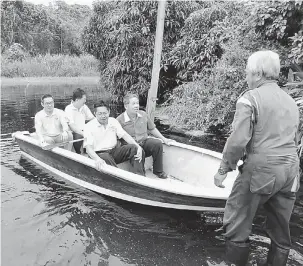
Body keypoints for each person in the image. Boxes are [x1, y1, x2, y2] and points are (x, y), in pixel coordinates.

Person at [213, 50, 300, 266]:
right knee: (281, 231)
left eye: (248, 73)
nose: (246, 78)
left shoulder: (249, 99)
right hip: (291, 172)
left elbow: (238, 140)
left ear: (258, 74)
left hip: (261, 170)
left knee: (236, 224)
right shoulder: (291, 102)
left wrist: (223, 170)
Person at [116, 93, 174, 179]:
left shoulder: (143, 114)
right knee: (136, 150)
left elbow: (152, 128)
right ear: (126, 106)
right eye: (133, 104)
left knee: (157, 143)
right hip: (131, 148)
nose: (136, 106)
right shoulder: (119, 120)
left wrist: (164, 139)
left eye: (137, 103)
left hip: (144, 142)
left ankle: (158, 171)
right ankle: (141, 176)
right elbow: (115, 138)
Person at [83, 101, 145, 176]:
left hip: (113, 152)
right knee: (106, 157)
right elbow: (88, 148)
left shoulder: (113, 121)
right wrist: (97, 159)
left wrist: (138, 146)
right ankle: (120, 179)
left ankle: (140, 176)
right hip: (98, 154)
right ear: (95, 114)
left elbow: (125, 135)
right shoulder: (88, 126)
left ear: (109, 112)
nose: (103, 116)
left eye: (105, 113)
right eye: (100, 114)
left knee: (134, 148)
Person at [65, 88, 94, 154]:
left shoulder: (84, 107)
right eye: (84, 99)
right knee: (79, 136)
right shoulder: (69, 109)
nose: (85, 101)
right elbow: (72, 126)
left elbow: (92, 119)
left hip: (83, 130)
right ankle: (78, 153)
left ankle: (91, 152)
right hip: (74, 132)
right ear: (77, 100)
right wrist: (83, 133)